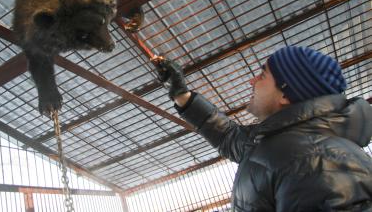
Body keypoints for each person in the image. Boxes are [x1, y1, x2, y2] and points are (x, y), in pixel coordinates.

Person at [155, 45, 372, 212]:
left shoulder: (322, 161)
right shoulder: (286, 145)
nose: (252, 81)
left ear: (286, 94)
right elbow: (230, 137)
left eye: (263, 75)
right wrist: (181, 94)